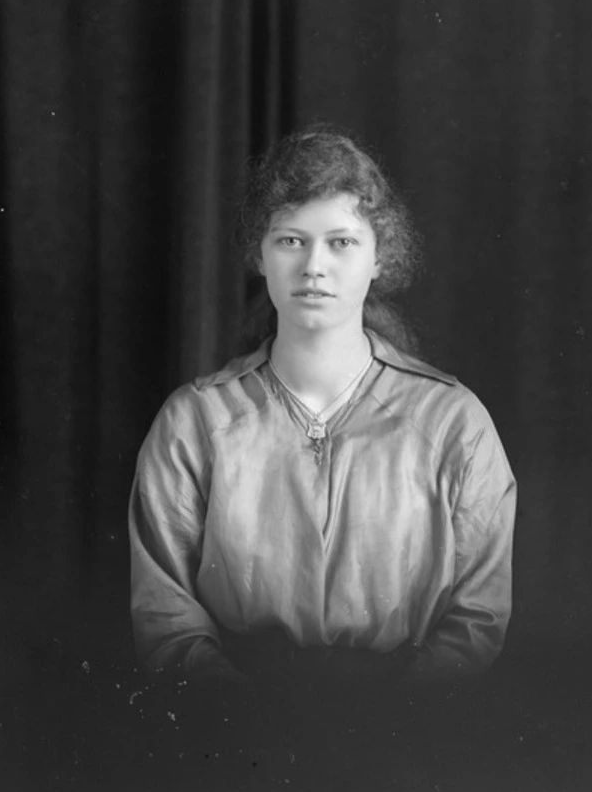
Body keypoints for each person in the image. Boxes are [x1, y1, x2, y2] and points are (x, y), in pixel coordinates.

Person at [128, 128, 516, 719]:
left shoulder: (452, 422)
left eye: (341, 242)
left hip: (408, 737)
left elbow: (478, 614)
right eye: (290, 240)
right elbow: (164, 611)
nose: (313, 265)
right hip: (234, 735)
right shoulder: (195, 421)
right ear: (259, 254)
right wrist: (240, 715)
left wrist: (400, 719)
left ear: (380, 256)